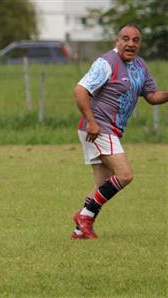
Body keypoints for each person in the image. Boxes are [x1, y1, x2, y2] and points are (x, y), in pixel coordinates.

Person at [71, 23, 168, 240]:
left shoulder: (140, 66)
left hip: (108, 130)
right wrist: (92, 122)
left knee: (101, 184)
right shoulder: (106, 63)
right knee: (125, 175)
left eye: (135, 40)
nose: (130, 44)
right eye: (125, 38)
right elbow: (80, 90)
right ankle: (84, 216)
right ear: (117, 41)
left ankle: (80, 229)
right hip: (97, 128)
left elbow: (152, 97)